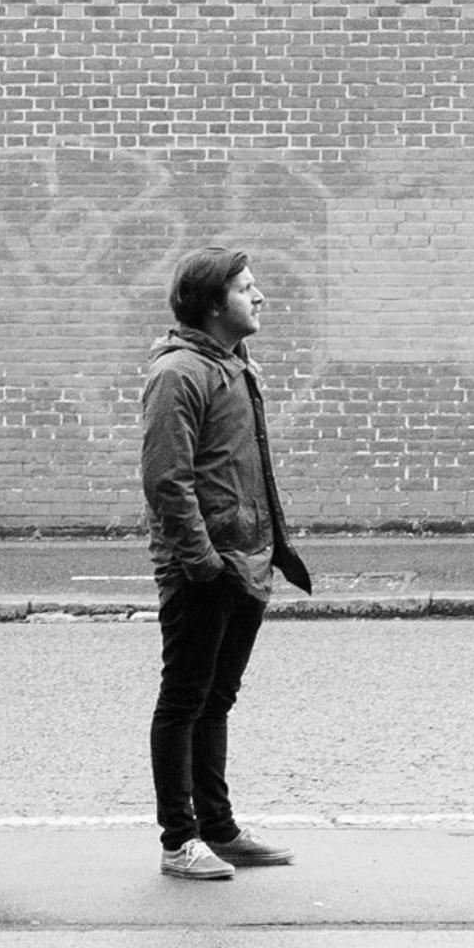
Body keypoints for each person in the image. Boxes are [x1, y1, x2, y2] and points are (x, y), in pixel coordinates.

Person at [142, 246, 315, 879]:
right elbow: (167, 480)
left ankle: (218, 829)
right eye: (246, 288)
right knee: (183, 701)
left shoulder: (234, 365)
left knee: (216, 700)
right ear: (214, 304)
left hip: (247, 562)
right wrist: (204, 563)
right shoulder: (180, 373)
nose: (260, 296)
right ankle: (177, 841)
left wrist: (260, 555)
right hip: (205, 567)